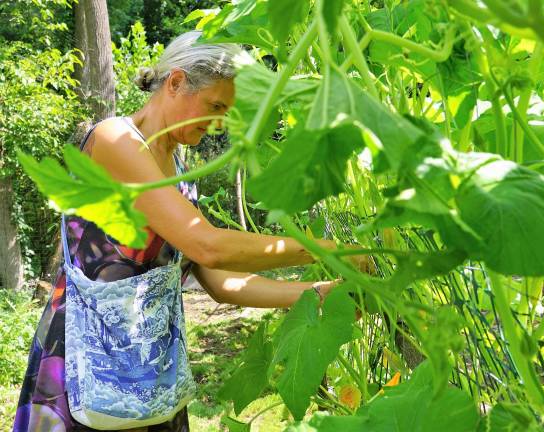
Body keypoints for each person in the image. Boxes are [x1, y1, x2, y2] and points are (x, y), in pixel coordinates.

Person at [13, 31, 364, 432]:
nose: (218, 124)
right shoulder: (117, 140)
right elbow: (207, 245)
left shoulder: (181, 170)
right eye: (215, 105)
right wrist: (325, 249)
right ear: (176, 82)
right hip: (89, 365)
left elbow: (220, 281)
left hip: (147, 375)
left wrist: (316, 295)